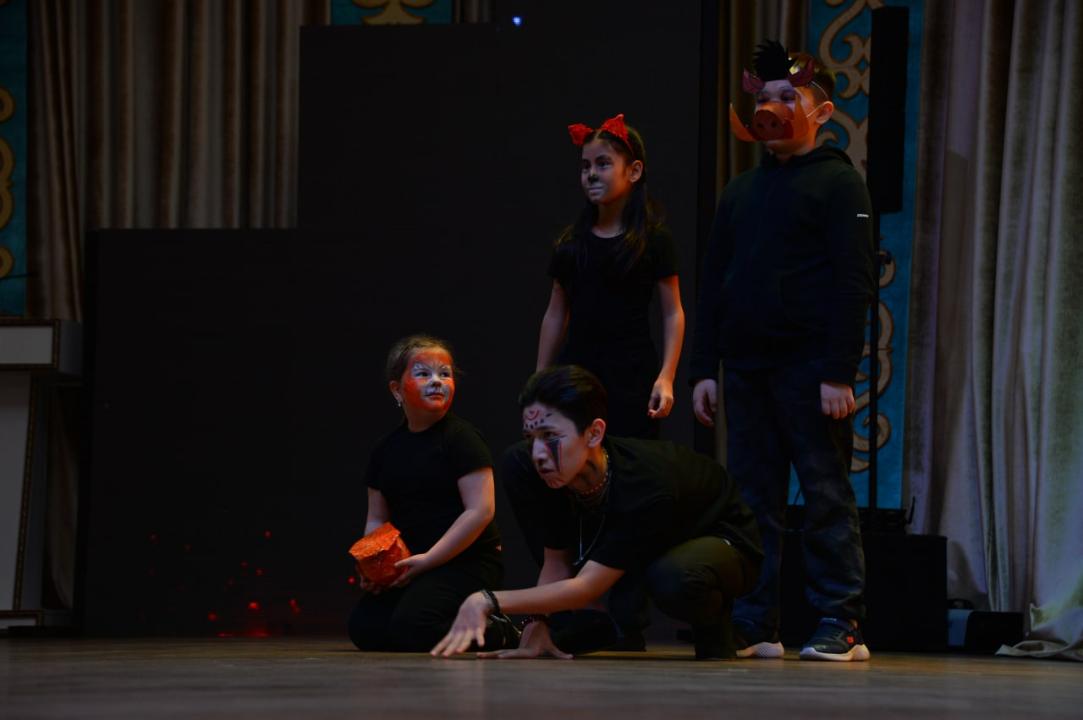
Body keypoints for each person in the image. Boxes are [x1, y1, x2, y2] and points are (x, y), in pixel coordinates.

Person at [689, 40, 875, 661]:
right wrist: (705, 368)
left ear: (820, 113)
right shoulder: (741, 191)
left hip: (809, 369)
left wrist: (838, 371)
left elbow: (853, 282)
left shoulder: (839, 183)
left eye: (787, 96)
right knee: (752, 501)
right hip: (746, 368)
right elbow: (714, 282)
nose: (771, 106)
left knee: (824, 494)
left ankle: (841, 620)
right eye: (764, 97)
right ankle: (755, 621)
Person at [430, 365, 762, 660]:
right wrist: (536, 625)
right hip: (651, 541)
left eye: (550, 436)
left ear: (594, 433)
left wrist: (486, 600)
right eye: (531, 438)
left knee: (675, 577)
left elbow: (586, 586)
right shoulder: (530, 466)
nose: (538, 453)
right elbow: (556, 560)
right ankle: (609, 618)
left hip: (721, 540)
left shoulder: (644, 483)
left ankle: (729, 631)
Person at [348, 334, 517, 652]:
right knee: (365, 628)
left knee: (413, 626)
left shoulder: (461, 438)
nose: (437, 381)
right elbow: (377, 520)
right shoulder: (385, 450)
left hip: (466, 562)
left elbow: (480, 510)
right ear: (397, 389)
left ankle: (505, 630)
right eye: (423, 373)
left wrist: (429, 560)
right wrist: (374, 567)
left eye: (445, 373)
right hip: (415, 564)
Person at [536, 113, 685, 440]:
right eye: (585, 166)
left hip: (632, 373)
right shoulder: (571, 244)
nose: (591, 174)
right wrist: (540, 377)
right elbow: (556, 313)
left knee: (629, 455)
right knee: (578, 453)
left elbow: (672, 312)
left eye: (602, 164)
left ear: (633, 171)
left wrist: (666, 377)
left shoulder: (654, 240)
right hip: (577, 373)